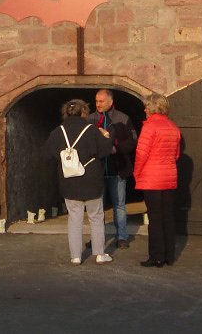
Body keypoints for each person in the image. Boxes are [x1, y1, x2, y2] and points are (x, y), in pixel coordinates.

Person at [43, 98, 114, 264]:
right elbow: (105, 150)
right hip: (92, 180)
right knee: (96, 217)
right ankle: (99, 254)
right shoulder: (91, 130)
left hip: (70, 181)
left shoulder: (58, 131)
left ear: (66, 113)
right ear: (84, 112)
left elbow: (46, 153)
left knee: (74, 219)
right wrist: (106, 136)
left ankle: (75, 256)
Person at [134, 94, 181, 267]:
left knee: (154, 218)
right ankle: (169, 256)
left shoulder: (149, 127)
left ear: (153, 107)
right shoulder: (173, 127)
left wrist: (137, 173)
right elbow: (176, 155)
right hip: (169, 177)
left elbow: (141, 154)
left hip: (152, 179)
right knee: (168, 217)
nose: (144, 109)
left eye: (147, 106)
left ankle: (156, 256)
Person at [88, 88, 137, 249]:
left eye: (101, 101)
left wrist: (117, 149)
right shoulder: (90, 119)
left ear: (110, 102)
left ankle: (122, 237)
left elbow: (132, 141)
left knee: (119, 206)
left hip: (117, 169)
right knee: (97, 208)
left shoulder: (123, 118)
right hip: (97, 171)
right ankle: (97, 238)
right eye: (96, 101)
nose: (98, 104)